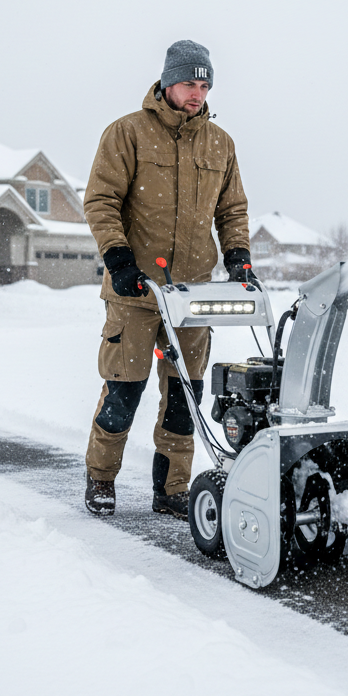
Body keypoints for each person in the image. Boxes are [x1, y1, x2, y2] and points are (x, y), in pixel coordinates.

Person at [82, 40, 254, 520]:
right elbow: (101, 201)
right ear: (166, 82)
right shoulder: (128, 133)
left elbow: (231, 208)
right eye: (188, 84)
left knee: (185, 397)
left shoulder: (220, 144)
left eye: (204, 85)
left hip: (192, 295)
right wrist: (118, 259)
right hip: (136, 291)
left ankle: (172, 490)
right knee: (123, 392)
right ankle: (100, 479)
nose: (197, 94)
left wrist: (238, 255)